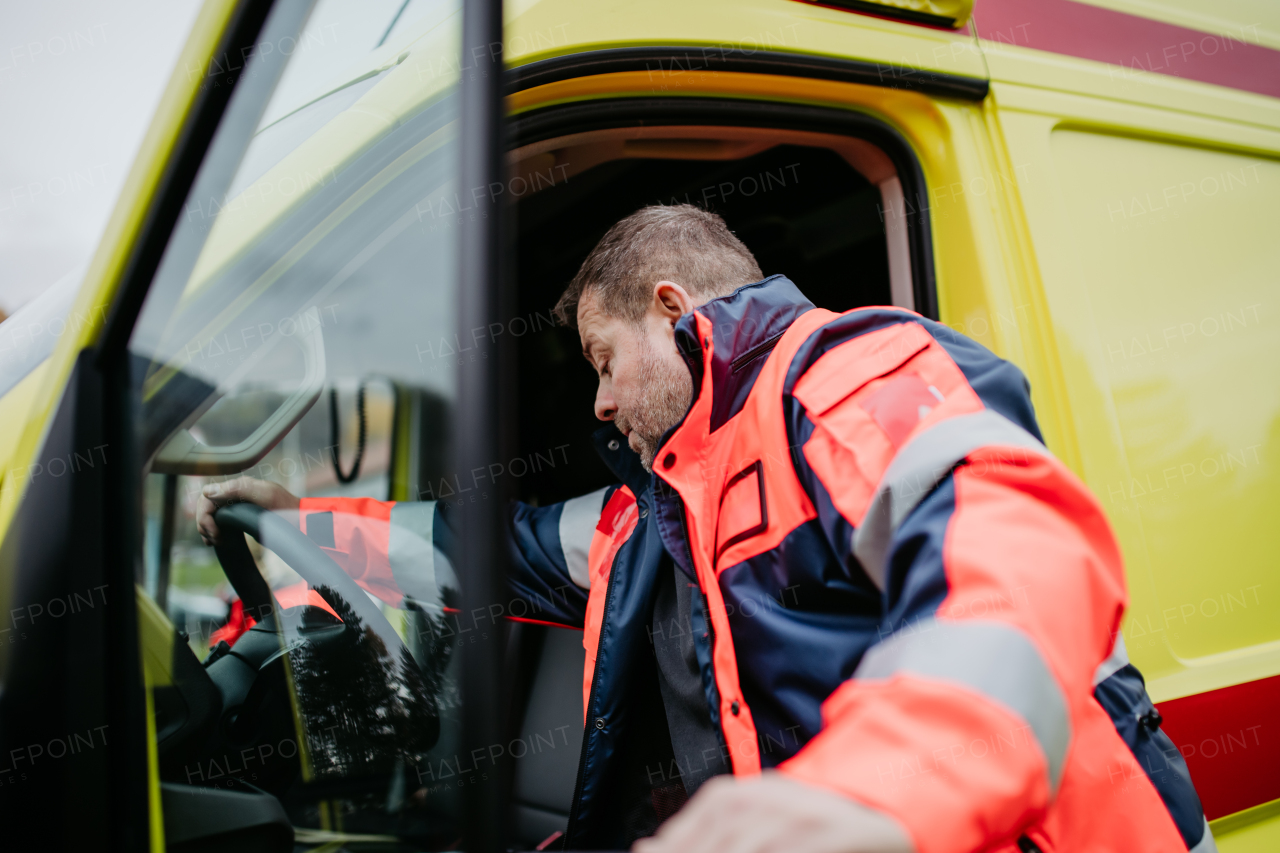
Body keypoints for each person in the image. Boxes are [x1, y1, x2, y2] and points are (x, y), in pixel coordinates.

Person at [198, 205, 1213, 853]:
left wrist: (869, 799)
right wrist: (307, 521)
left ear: (673, 309)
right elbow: (476, 547)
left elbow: (1016, 574)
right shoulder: (648, 514)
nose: (595, 405)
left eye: (603, 360)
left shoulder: (855, 376)